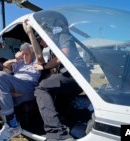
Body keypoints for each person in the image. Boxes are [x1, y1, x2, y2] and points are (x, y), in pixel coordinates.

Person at [23, 10, 90, 141]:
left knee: (41, 89)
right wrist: (30, 33)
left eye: (40, 40)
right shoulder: (53, 48)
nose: (41, 44)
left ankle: (57, 134)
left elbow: (63, 56)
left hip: (77, 75)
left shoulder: (62, 35)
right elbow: (40, 58)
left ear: (47, 34)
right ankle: (86, 118)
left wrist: (45, 67)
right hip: (73, 76)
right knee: (59, 103)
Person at [0, 43, 41, 141]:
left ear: (32, 54)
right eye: (22, 54)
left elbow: (40, 56)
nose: (24, 56)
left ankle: (13, 123)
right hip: (16, 87)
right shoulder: (19, 63)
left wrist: (29, 33)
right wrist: (16, 59)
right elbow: (5, 68)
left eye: (27, 54)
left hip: (28, 86)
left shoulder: (36, 61)